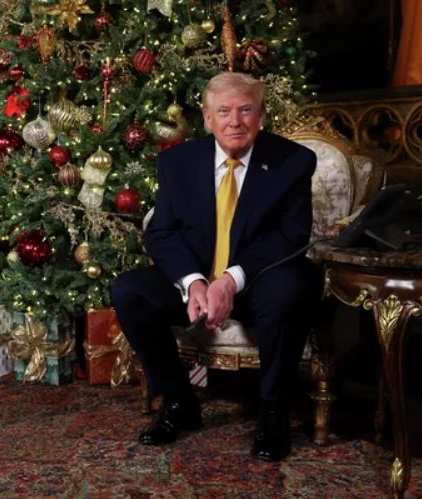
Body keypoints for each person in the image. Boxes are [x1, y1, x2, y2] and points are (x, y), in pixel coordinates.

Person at [112, 72, 320, 461]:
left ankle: (273, 411)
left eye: (246, 110)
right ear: (208, 118)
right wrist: (194, 283)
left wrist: (230, 280)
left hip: (259, 280)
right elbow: (162, 233)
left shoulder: (292, 161)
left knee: (289, 288)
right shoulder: (177, 162)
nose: (235, 121)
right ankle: (178, 402)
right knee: (129, 290)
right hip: (200, 284)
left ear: (261, 115)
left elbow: (290, 237)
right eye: (224, 111)